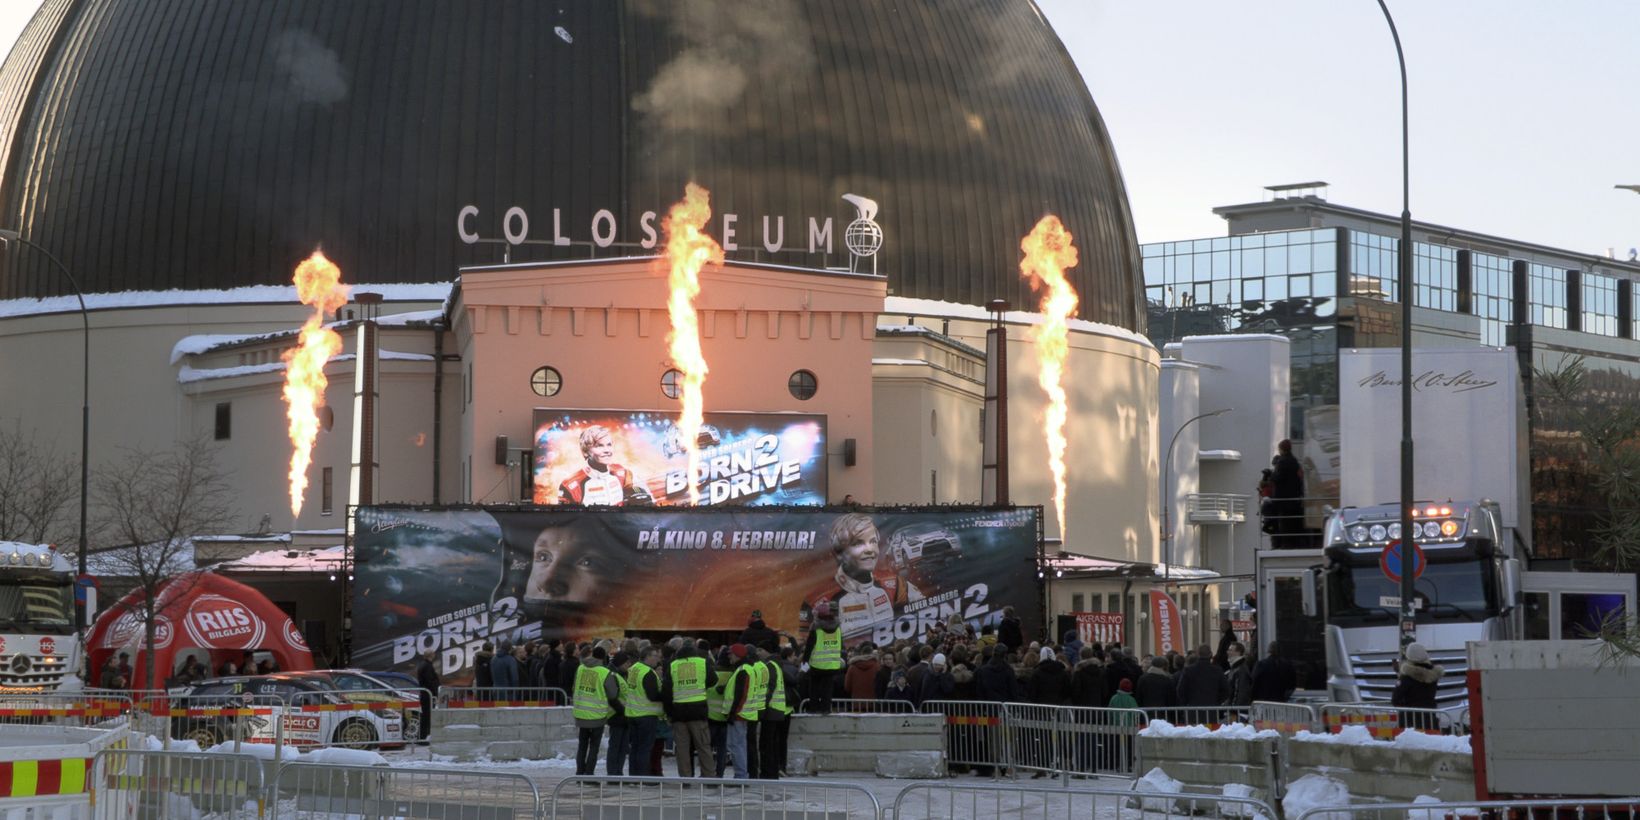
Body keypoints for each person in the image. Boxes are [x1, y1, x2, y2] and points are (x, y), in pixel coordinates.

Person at [799, 514, 896, 645]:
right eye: (858, 543)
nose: (869, 550)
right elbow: (806, 644)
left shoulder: (894, 583)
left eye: (873, 541)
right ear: (839, 553)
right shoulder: (817, 600)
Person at [557, 425, 648, 505]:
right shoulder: (570, 485)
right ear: (585, 452)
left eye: (609, 445)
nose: (607, 450)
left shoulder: (624, 473)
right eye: (599, 446)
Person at [665, 640, 715, 778]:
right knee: (704, 746)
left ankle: (685, 778)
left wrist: (669, 713)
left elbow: (667, 691)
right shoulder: (702, 662)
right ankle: (709, 776)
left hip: (678, 712)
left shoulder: (673, 665)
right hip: (698, 710)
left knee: (682, 749)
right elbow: (713, 680)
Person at [571, 646, 622, 777]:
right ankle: (589, 773)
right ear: (604, 657)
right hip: (597, 715)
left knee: (582, 745)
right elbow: (612, 694)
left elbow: (574, 687)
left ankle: (579, 773)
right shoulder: (604, 672)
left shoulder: (580, 668)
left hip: (581, 712)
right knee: (594, 746)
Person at [724, 644, 764, 779]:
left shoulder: (743, 670)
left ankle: (741, 775)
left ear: (737, 655)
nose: (728, 656)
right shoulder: (746, 669)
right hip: (744, 713)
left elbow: (741, 694)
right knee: (739, 745)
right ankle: (742, 774)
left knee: (737, 746)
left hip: (739, 715)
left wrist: (733, 713)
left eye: (731, 654)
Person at [623, 646, 664, 776]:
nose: (657, 659)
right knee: (645, 748)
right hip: (646, 714)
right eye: (655, 656)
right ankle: (643, 776)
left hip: (632, 713)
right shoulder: (648, 672)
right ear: (648, 657)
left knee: (635, 747)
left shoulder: (633, 669)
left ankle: (633, 775)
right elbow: (653, 696)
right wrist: (665, 693)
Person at [801, 603, 844, 714]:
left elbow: (809, 647)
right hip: (832, 664)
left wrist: (804, 661)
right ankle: (826, 709)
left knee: (814, 687)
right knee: (828, 688)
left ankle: (814, 708)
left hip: (816, 664)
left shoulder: (816, 628)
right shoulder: (838, 627)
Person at [1390, 643, 1443, 730]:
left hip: (1409, 723)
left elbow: (1395, 699)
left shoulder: (1406, 677)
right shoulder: (1433, 674)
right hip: (1429, 720)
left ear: (1408, 656)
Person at [758, 648, 792, 780]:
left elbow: (770, 689)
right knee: (772, 744)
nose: (758, 653)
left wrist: (762, 706)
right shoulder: (776, 665)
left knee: (766, 744)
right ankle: (772, 772)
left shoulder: (770, 666)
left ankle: (767, 773)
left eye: (760, 650)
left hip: (771, 711)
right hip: (778, 710)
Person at [1269, 439, 1305, 542]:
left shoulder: (1283, 462)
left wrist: (1272, 475)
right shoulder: (1294, 461)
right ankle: (1294, 542)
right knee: (1293, 523)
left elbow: (1277, 478)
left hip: (1283, 499)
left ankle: (1285, 542)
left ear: (1281, 449)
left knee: (1284, 523)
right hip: (1294, 497)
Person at [415, 649, 441, 742]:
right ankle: (423, 737)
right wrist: (435, 692)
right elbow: (430, 681)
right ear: (431, 655)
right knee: (426, 716)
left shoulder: (424, 665)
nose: (434, 655)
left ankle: (423, 736)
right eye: (433, 653)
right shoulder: (427, 666)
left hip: (426, 694)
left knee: (426, 716)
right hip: (428, 695)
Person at [1223, 641, 1254, 706]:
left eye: (1230, 650)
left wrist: (1234, 709)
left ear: (1238, 652)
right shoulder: (1235, 668)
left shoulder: (1240, 670)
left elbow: (1241, 692)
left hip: (1236, 710)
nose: (1227, 652)